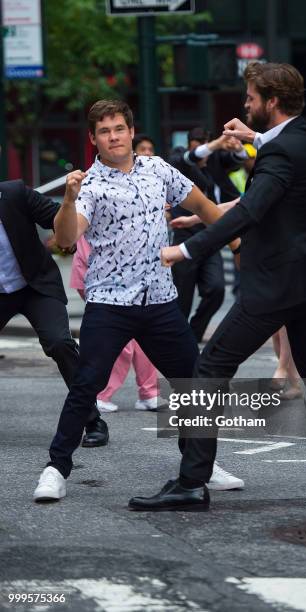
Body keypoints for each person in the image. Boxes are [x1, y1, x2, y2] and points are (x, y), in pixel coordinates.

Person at [129, 61, 306, 513]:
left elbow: (250, 210)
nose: (245, 106)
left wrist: (185, 251)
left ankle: (191, 483)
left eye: (250, 99)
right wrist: (255, 138)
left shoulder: (278, 155)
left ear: (271, 102)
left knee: (209, 369)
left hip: (275, 285)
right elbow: (285, 153)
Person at [33, 99, 243, 502]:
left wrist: (235, 239)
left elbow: (201, 205)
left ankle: (199, 465)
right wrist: (68, 199)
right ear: (94, 140)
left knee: (194, 383)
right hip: (110, 303)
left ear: (131, 131)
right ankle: (56, 469)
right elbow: (64, 239)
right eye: (104, 132)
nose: (113, 137)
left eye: (118, 129)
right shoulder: (90, 185)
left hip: (161, 300)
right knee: (85, 386)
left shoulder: (158, 168)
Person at [0, 178, 108, 447]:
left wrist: (70, 203)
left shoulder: (14, 193)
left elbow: (58, 218)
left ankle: (93, 419)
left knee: (60, 342)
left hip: (34, 285)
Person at [70, 235, 165, 412]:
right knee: (121, 344)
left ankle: (149, 393)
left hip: (134, 282)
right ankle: (101, 394)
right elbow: (85, 253)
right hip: (102, 284)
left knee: (145, 341)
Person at [168, 128, 245, 342]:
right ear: (190, 142)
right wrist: (217, 143)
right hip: (185, 238)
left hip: (211, 238)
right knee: (182, 297)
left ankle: (193, 334)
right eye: (198, 142)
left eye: (205, 141)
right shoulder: (179, 160)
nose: (203, 146)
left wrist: (235, 146)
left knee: (217, 289)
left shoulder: (213, 164)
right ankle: (180, 340)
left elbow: (240, 158)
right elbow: (190, 157)